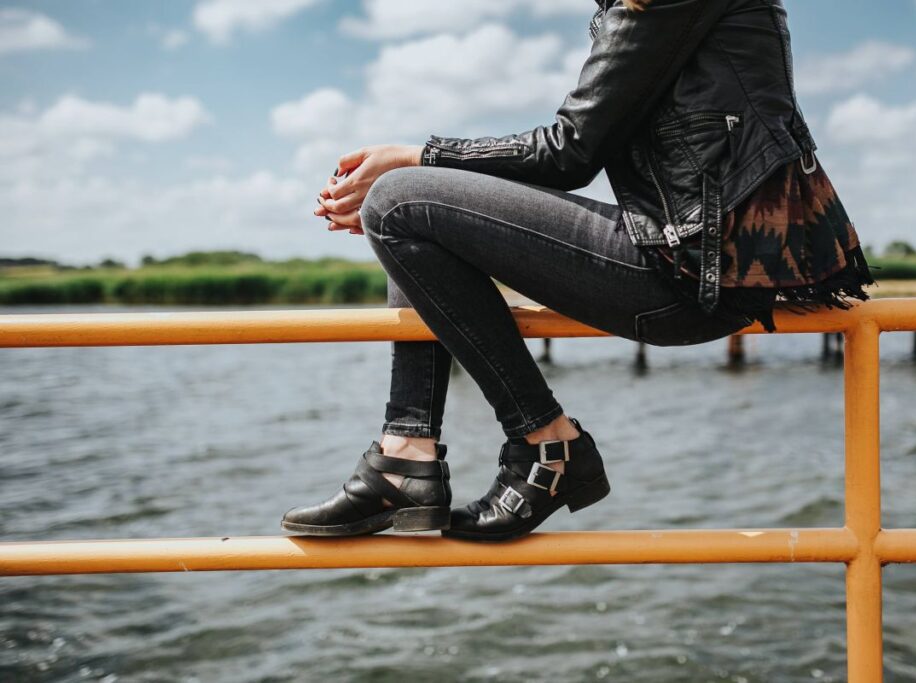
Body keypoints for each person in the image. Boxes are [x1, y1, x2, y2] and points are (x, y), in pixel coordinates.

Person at [282, 0, 873, 542]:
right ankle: (407, 454)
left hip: (690, 273)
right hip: (695, 258)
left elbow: (567, 152)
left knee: (399, 201)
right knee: (410, 216)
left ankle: (547, 447)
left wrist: (415, 157)